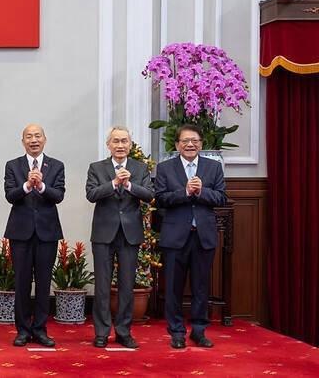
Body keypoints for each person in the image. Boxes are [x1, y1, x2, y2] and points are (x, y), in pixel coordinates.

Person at [155, 124, 227, 349]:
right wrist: (185, 192)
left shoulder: (213, 167)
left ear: (201, 144)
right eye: (185, 141)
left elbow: (221, 198)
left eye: (194, 141)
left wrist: (202, 191)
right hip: (175, 236)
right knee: (174, 288)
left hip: (203, 236)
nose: (190, 144)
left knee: (200, 287)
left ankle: (198, 330)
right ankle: (176, 331)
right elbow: (160, 199)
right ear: (177, 145)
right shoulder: (165, 168)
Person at [85, 126, 153, 349]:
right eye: (116, 141)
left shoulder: (140, 168)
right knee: (103, 286)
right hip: (104, 233)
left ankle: (124, 331)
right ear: (109, 145)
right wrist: (114, 183)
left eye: (124, 141)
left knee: (126, 285)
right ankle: (102, 332)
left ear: (130, 145)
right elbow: (92, 194)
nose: (120, 145)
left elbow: (150, 195)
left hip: (130, 233)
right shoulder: (97, 168)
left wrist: (130, 184)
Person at [3, 124, 65, 347]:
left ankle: (40, 329)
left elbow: (58, 195)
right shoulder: (13, 165)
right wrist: (28, 185)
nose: (33, 140)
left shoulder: (56, 166)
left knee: (43, 282)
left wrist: (42, 186)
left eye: (37, 136)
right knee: (21, 282)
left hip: (47, 232)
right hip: (20, 232)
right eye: (29, 137)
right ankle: (22, 330)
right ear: (23, 142)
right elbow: (10, 195)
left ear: (45, 140)